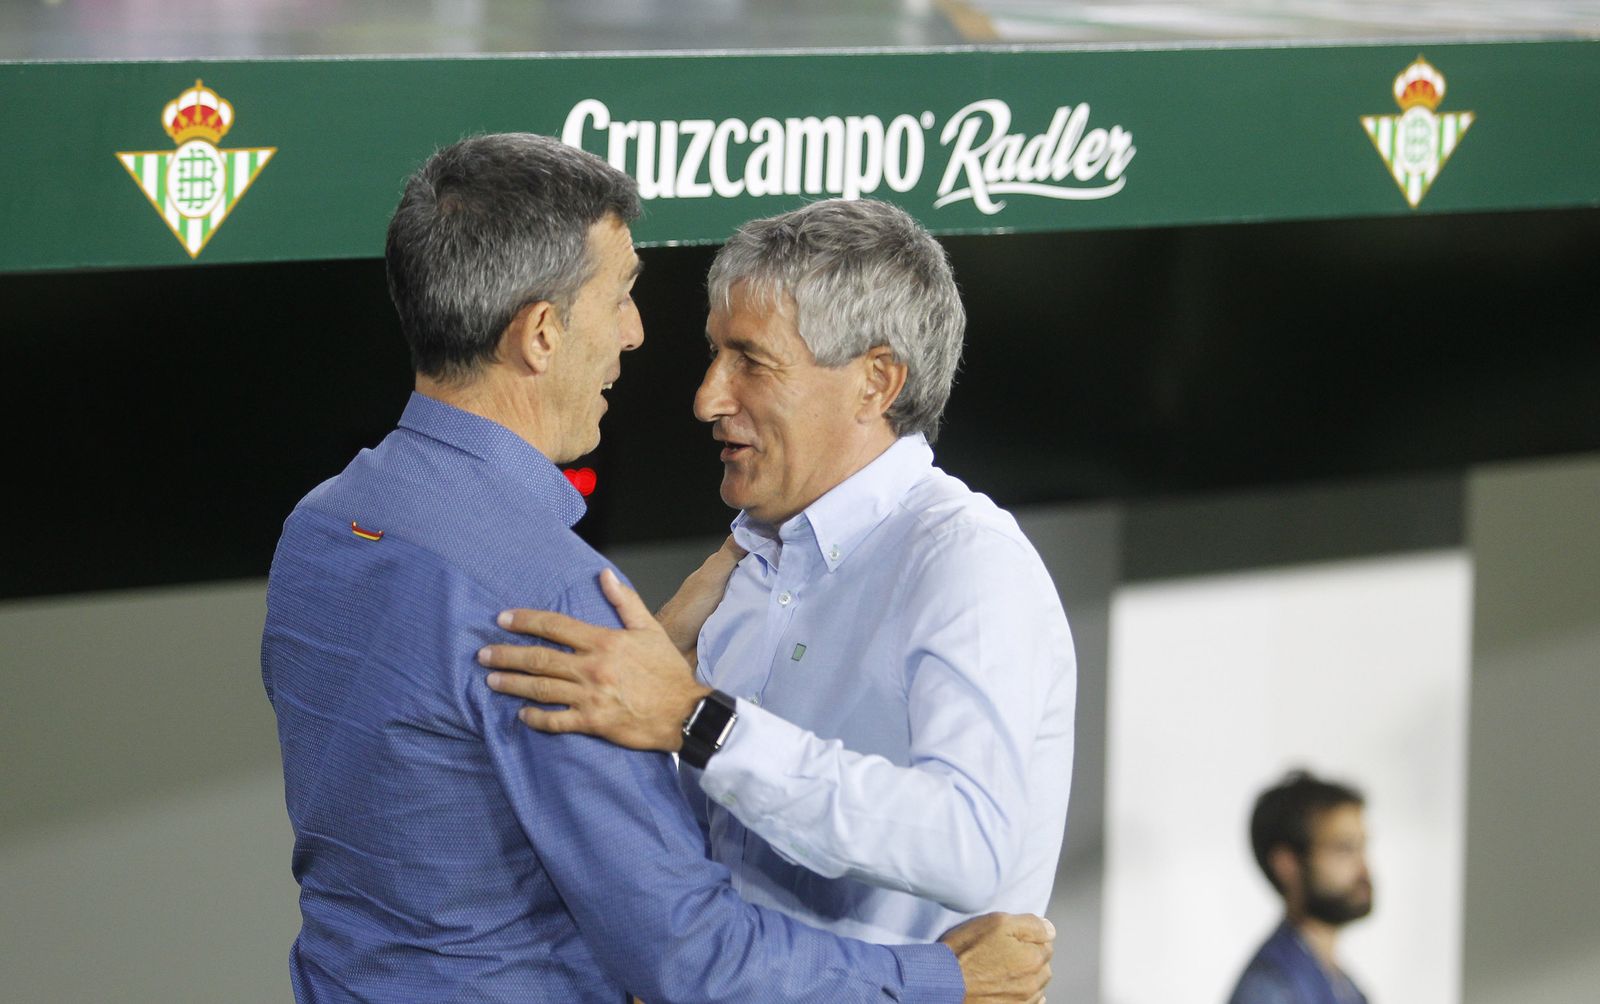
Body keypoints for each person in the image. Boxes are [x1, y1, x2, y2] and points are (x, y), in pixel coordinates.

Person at [260, 133, 1053, 1003]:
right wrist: (941, 982)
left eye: (748, 359)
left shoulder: (322, 524)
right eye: (622, 296)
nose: (640, 336)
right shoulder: (555, 597)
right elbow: (687, 953)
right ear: (542, 333)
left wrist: (678, 696)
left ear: (875, 383)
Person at [480, 198, 1077, 945]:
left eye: (750, 362)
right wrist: (653, 679)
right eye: (714, 354)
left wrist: (698, 720)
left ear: (877, 382)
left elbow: (971, 845)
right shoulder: (748, 563)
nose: (707, 398)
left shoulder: (966, 561)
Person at [1228, 770, 1374, 1004]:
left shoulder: (1343, 985)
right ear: (1287, 864)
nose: (1363, 870)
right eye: (1344, 849)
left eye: (1362, 847)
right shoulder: (1269, 989)